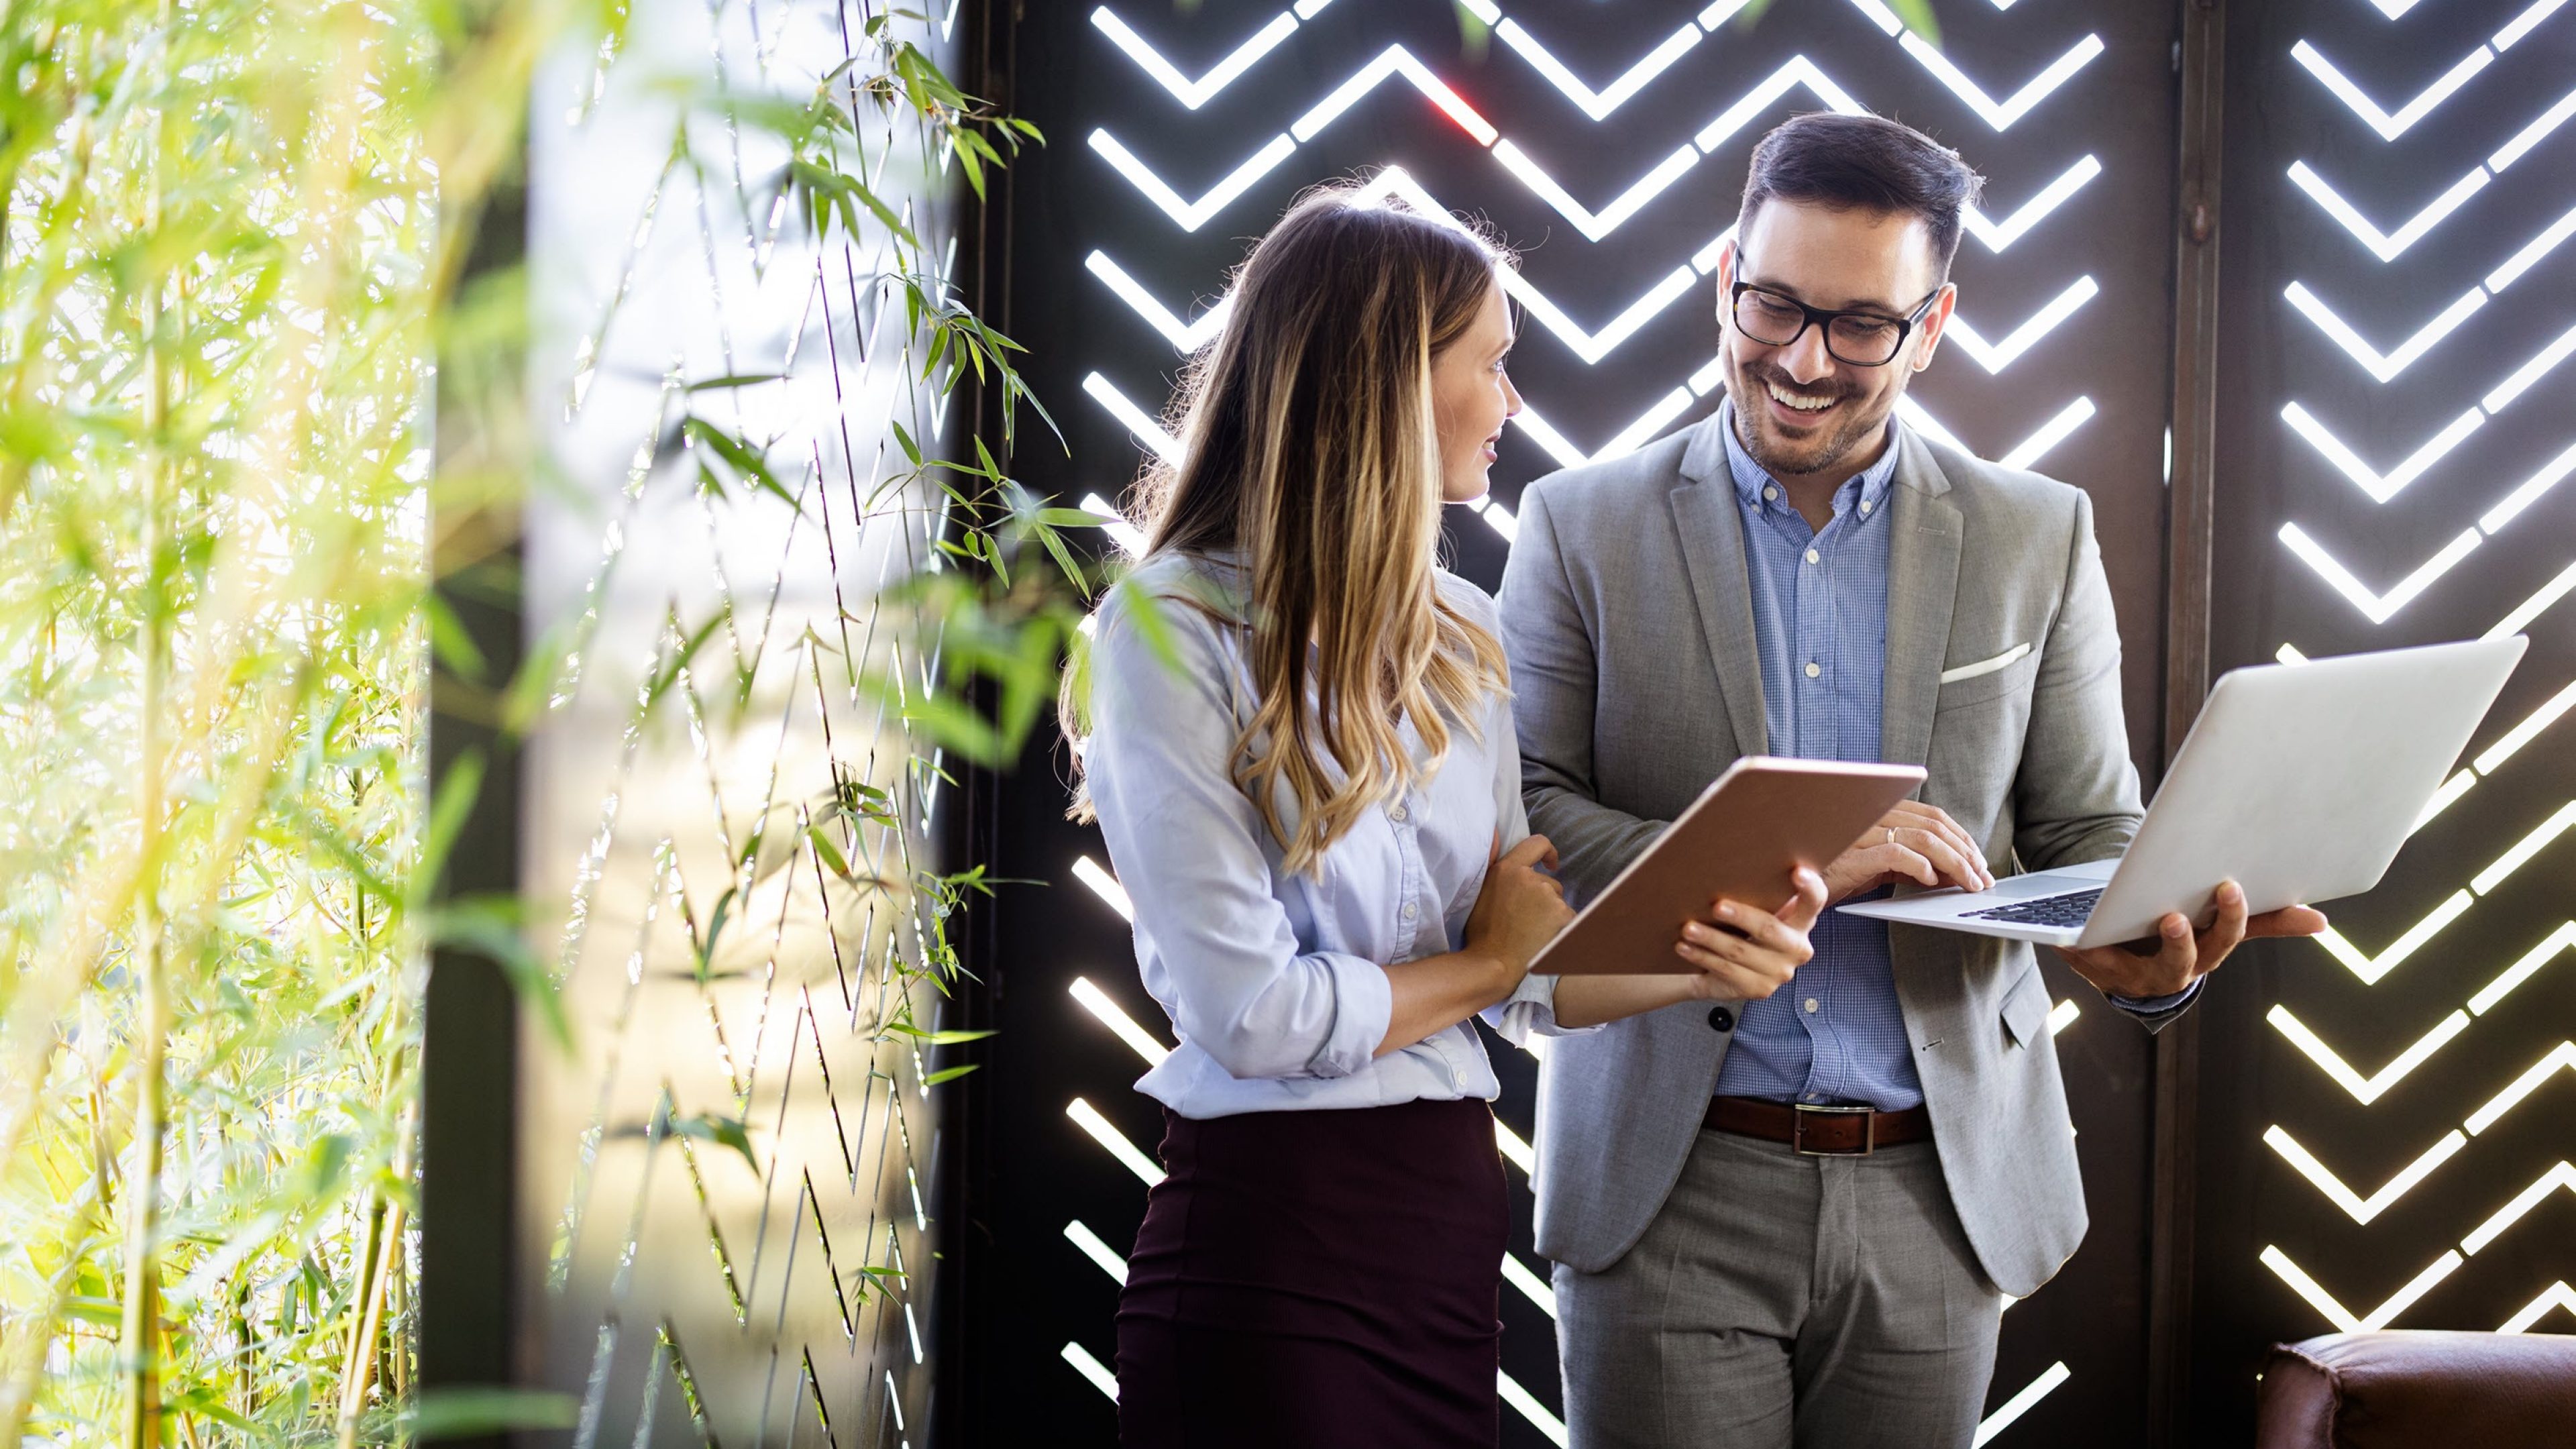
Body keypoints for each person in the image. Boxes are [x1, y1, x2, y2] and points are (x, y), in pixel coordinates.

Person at [1497, 113, 2328, 1448]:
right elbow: (1522, 823)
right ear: (1727, 276)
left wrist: (2147, 944)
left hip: (1935, 1188)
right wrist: (1805, 859)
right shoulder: (1579, 524)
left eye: (1861, 325)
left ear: (1933, 323)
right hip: (1669, 1179)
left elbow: (2084, 823)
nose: (1804, 361)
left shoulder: (2035, 532)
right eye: (1773, 304)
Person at [1069, 186, 1831, 1449]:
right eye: (1492, 363)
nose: (1513, 402)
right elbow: (1253, 1016)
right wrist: (1482, 963)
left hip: (1440, 1238)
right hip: (1270, 1250)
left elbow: (1525, 978)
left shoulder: (1463, 632)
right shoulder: (1166, 633)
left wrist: (1718, 955)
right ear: (1386, 384)